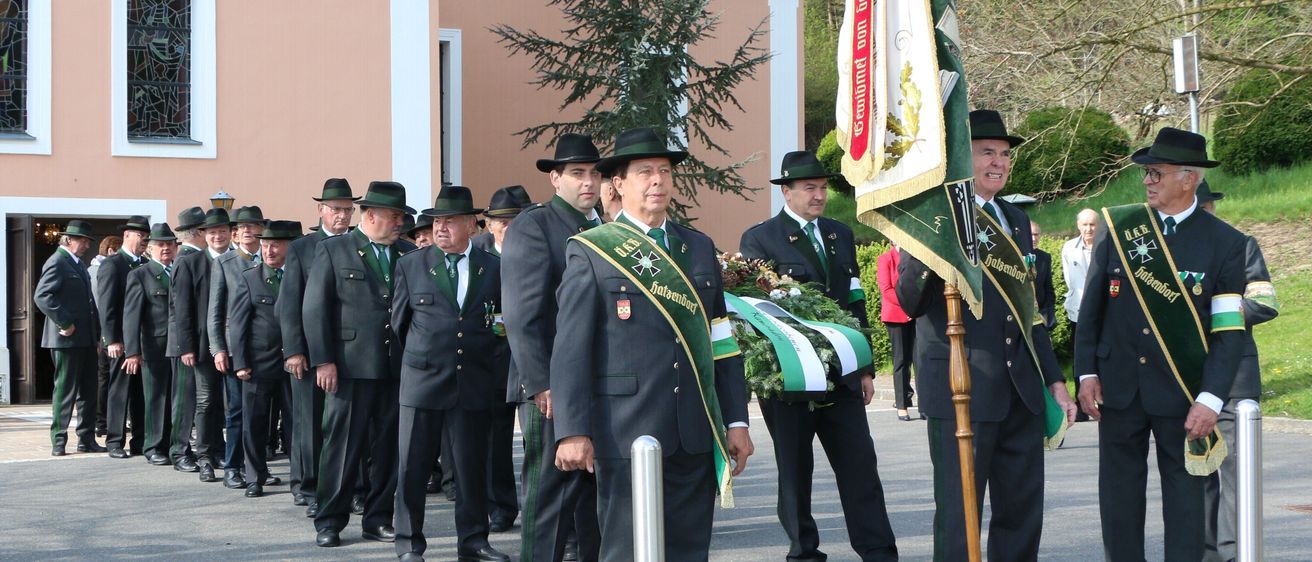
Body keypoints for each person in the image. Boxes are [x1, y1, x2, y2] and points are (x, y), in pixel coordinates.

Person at [551, 126, 753, 560]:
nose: (658, 181)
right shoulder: (592, 251)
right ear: (618, 184)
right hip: (624, 430)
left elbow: (721, 341)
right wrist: (572, 430)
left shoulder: (697, 248)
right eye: (645, 172)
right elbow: (571, 350)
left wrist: (736, 420)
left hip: (694, 430)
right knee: (626, 550)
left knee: (687, 550)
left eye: (664, 171)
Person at [897, 110, 1077, 562]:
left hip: (1020, 389)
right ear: (962, 157)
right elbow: (909, 300)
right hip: (961, 386)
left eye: (1004, 154)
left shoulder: (1016, 219)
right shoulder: (932, 215)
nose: (998, 162)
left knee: (1021, 513)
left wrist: (1054, 379)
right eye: (985, 153)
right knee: (960, 518)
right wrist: (935, 247)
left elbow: (1030, 310)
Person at [1075, 127, 1248, 561]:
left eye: (1156, 173)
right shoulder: (1122, 228)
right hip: (1118, 387)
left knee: (1188, 503)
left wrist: (1210, 400)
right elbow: (1091, 309)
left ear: (1188, 179)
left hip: (1184, 392)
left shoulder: (1227, 244)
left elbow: (1228, 333)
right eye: (1146, 174)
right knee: (1118, 500)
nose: (1147, 181)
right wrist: (1086, 372)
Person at [739, 150, 898, 561]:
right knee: (795, 473)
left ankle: (879, 551)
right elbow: (758, 309)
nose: (819, 195)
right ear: (787, 192)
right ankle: (804, 552)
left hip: (841, 373)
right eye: (809, 188)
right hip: (790, 375)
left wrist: (864, 366)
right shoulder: (760, 239)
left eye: (823, 188)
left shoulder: (838, 233)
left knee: (860, 466)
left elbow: (856, 300)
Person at [392, 185, 512, 562]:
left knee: (471, 469)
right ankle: (409, 543)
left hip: (472, 381)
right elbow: (399, 324)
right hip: (423, 381)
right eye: (437, 221)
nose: (441, 227)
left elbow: (500, 324)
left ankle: (473, 542)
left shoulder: (492, 267)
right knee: (413, 467)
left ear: (472, 226)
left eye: (450, 221)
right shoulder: (412, 264)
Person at [502, 133, 605, 562]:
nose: (589, 182)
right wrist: (543, 385)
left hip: (591, 385)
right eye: (577, 174)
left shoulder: (600, 227)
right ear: (555, 179)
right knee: (548, 502)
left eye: (595, 174)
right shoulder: (535, 224)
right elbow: (522, 315)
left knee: (589, 506)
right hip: (549, 391)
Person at [304, 181, 416, 548]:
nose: (400, 222)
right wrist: (323, 361)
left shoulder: (408, 253)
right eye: (394, 215)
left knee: (388, 449)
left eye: (402, 215)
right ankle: (330, 519)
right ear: (369, 215)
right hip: (350, 368)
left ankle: (378, 517)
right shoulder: (335, 250)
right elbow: (316, 309)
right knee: (342, 447)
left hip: (397, 368)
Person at [1192, 181, 1280, 562]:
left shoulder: (1240, 243)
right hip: (1191, 377)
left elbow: (1264, 302)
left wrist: (1223, 311)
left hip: (1235, 381)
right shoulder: (1174, 251)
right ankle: (1206, 553)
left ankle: (1234, 554)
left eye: (1205, 208)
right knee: (1198, 473)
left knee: (1235, 477)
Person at [279, 178, 358, 515]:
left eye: (347, 209)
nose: (341, 215)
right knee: (309, 421)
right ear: (321, 210)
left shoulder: (358, 244)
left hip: (350, 351)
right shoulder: (302, 247)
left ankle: (349, 488)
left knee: (347, 424)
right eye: (335, 209)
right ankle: (309, 486)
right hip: (311, 351)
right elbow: (290, 302)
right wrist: (294, 350)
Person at [229, 220, 302, 498]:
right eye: (266, 244)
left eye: (276, 244)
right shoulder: (250, 278)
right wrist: (241, 362)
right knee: (255, 423)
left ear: (288, 247)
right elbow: (238, 324)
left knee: (296, 424)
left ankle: (300, 482)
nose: (269, 250)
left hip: (294, 363)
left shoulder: (298, 276)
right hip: (259, 364)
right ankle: (254, 477)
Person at [474, 186, 532, 533]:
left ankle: (537, 504)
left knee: (535, 439)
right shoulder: (479, 255)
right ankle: (501, 506)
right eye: (501, 222)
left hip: (530, 359)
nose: (508, 228)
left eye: (515, 221)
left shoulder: (536, 250)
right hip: (493, 360)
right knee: (495, 441)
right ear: (489, 225)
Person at [169, 207, 233, 484]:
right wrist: (187, 346)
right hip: (203, 345)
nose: (217, 236)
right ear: (203, 235)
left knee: (226, 402)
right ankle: (205, 454)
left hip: (232, 345)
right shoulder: (190, 263)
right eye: (212, 232)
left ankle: (220, 450)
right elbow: (181, 308)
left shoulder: (235, 261)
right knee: (206, 401)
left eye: (222, 231)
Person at [208, 205, 268, 489]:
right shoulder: (225, 262)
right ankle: (233, 466)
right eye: (241, 227)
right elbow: (215, 311)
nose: (246, 231)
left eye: (251, 225)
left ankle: (257, 469)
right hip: (236, 348)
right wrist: (217, 347)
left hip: (267, 347)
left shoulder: (270, 258)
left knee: (263, 413)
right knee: (236, 411)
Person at [33, 220, 102, 456]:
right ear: (68, 240)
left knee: (89, 391)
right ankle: (59, 440)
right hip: (66, 339)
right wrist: (65, 321)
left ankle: (86, 438)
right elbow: (42, 296)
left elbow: (89, 304)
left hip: (85, 339)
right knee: (65, 391)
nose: (86, 245)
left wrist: (96, 336)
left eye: (88, 241)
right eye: (82, 240)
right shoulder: (57, 262)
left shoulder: (78, 265)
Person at [123, 223, 180, 467]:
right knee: (156, 397)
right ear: (150, 248)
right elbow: (131, 315)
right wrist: (133, 351)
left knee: (176, 398)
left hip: (179, 346)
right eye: (160, 245)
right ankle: (153, 445)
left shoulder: (180, 271)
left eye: (169, 244)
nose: (165, 248)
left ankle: (172, 444)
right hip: (154, 347)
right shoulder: (140, 275)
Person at [98, 217, 151, 459]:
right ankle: (115, 440)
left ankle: (139, 440)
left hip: (142, 341)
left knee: (140, 392)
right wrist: (112, 339)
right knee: (119, 391)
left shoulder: (146, 264)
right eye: (141, 237)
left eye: (147, 237)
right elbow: (107, 305)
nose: (145, 242)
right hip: (120, 340)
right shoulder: (113, 264)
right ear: (128, 235)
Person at [1061, 208, 1099, 421]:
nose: (1088, 229)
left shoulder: (1105, 246)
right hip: (1078, 310)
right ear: (1078, 226)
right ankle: (1082, 403)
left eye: (1092, 224)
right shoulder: (1069, 248)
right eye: (1085, 224)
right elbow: (1069, 279)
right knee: (1080, 357)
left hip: (1103, 313)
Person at [877, 243, 920, 421]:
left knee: (919, 360)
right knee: (901, 360)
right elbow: (886, 290)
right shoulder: (886, 259)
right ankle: (902, 406)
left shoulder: (915, 258)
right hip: (896, 315)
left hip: (916, 314)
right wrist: (908, 306)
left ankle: (923, 404)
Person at [90, 234, 123, 439]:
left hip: (103, 332)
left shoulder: (92, 269)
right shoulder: (100, 270)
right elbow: (102, 305)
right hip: (105, 333)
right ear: (111, 251)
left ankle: (102, 421)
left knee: (105, 378)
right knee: (106, 378)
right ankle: (103, 421)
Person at [1031, 222, 1057, 331]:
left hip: (1040, 318)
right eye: (1030, 234)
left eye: (1036, 235)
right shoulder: (1014, 257)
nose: (1033, 238)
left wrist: (1046, 314)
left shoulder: (1044, 257)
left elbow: (1048, 289)